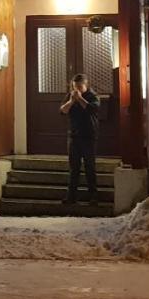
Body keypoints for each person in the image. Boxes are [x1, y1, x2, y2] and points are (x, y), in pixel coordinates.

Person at [59, 73, 100, 204]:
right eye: (74, 87)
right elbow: (62, 111)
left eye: (79, 87)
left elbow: (92, 109)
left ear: (85, 85)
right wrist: (71, 101)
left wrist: (80, 99)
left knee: (90, 167)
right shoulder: (70, 96)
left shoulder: (93, 96)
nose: (76, 89)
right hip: (74, 137)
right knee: (74, 168)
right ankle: (71, 197)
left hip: (88, 136)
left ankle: (93, 197)